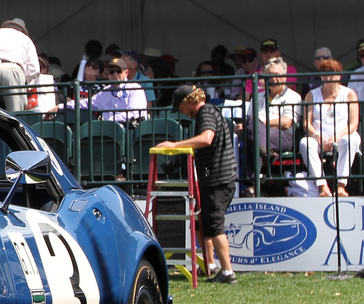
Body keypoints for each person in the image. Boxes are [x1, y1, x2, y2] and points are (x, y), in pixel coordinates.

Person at [157, 85, 238, 283]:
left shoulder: (206, 112)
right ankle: (210, 265)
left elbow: (206, 138)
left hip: (217, 179)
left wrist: (175, 145)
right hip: (218, 177)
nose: (182, 113)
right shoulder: (211, 111)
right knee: (204, 224)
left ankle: (228, 272)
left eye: (181, 108)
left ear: (188, 102)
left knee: (215, 225)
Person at [298, 58, 360, 197]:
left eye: (332, 74)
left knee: (348, 141)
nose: (328, 77)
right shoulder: (311, 95)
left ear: (339, 76)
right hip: (319, 137)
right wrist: (317, 136)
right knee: (305, 143)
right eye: (324, 74)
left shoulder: (349, 94)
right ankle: (322, 186)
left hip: (344, 134)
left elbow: (353, 123)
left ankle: (340, 185)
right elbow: (306, 123)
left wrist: (338, 136)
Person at [248, 58, 301, 162]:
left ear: (285, 77)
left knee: (251, 137)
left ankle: (253, 176)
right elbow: (249, 119)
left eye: (277, 74)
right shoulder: (257, 97)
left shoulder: (293, 96)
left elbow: (286, 123)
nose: (273, 78)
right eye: (269, 75)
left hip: (282, 136)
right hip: (257, 133)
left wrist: (261, 124)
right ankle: (264, 154)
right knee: (245, 135)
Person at [90, 57, 148, 123]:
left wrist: (111, 119)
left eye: (118, 71)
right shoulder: (105, 91)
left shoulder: (135, 88)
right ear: (108, 74)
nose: (115, 74)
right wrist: (75, 103)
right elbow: (88, 103)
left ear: (126, 73)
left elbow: (134, 113)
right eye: (112, 71)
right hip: (107, 129)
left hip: (130, 128)